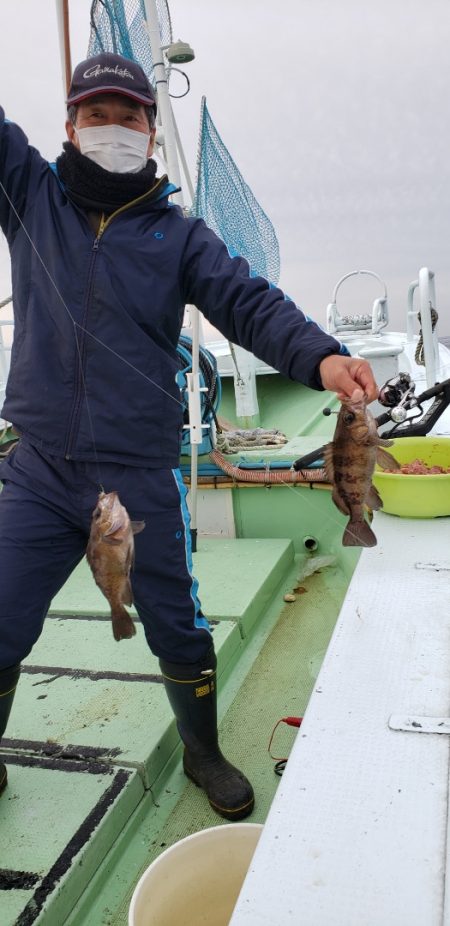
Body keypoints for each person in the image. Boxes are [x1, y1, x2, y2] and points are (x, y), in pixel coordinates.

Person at [0, 52, 378, 820]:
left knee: (176, 616)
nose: (114, 128)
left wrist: (322, 356)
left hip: (139, 469)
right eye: (96, 115)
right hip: (37, 466)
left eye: (129, 116)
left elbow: (248, 302)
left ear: (151, 133)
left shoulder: (180, 237)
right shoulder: (28, 193)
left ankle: (202, 751)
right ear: (68, 128)